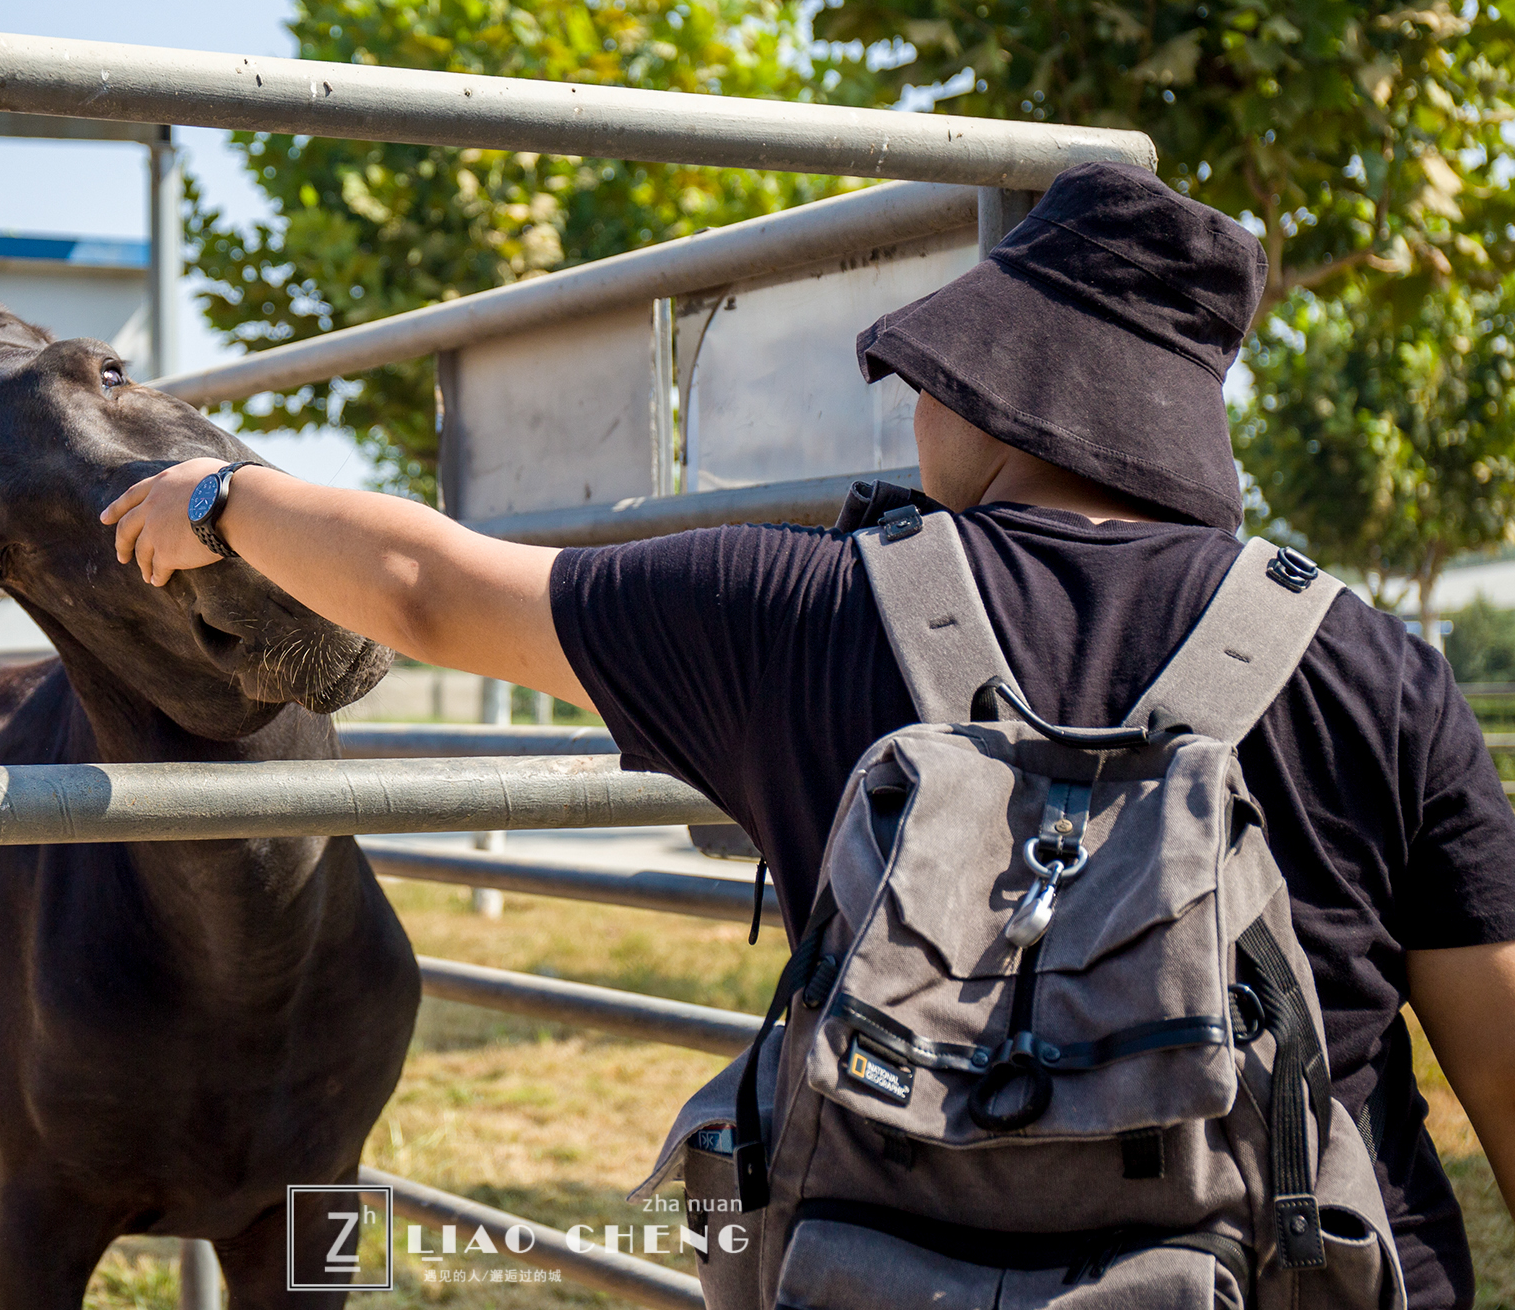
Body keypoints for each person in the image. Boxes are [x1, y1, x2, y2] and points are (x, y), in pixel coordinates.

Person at [103, 162, 1515, 1309]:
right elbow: (1498, 1062)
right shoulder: (1379, 669)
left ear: (995, 389)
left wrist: (223, 497)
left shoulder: (800, 609)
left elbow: (428, 587)